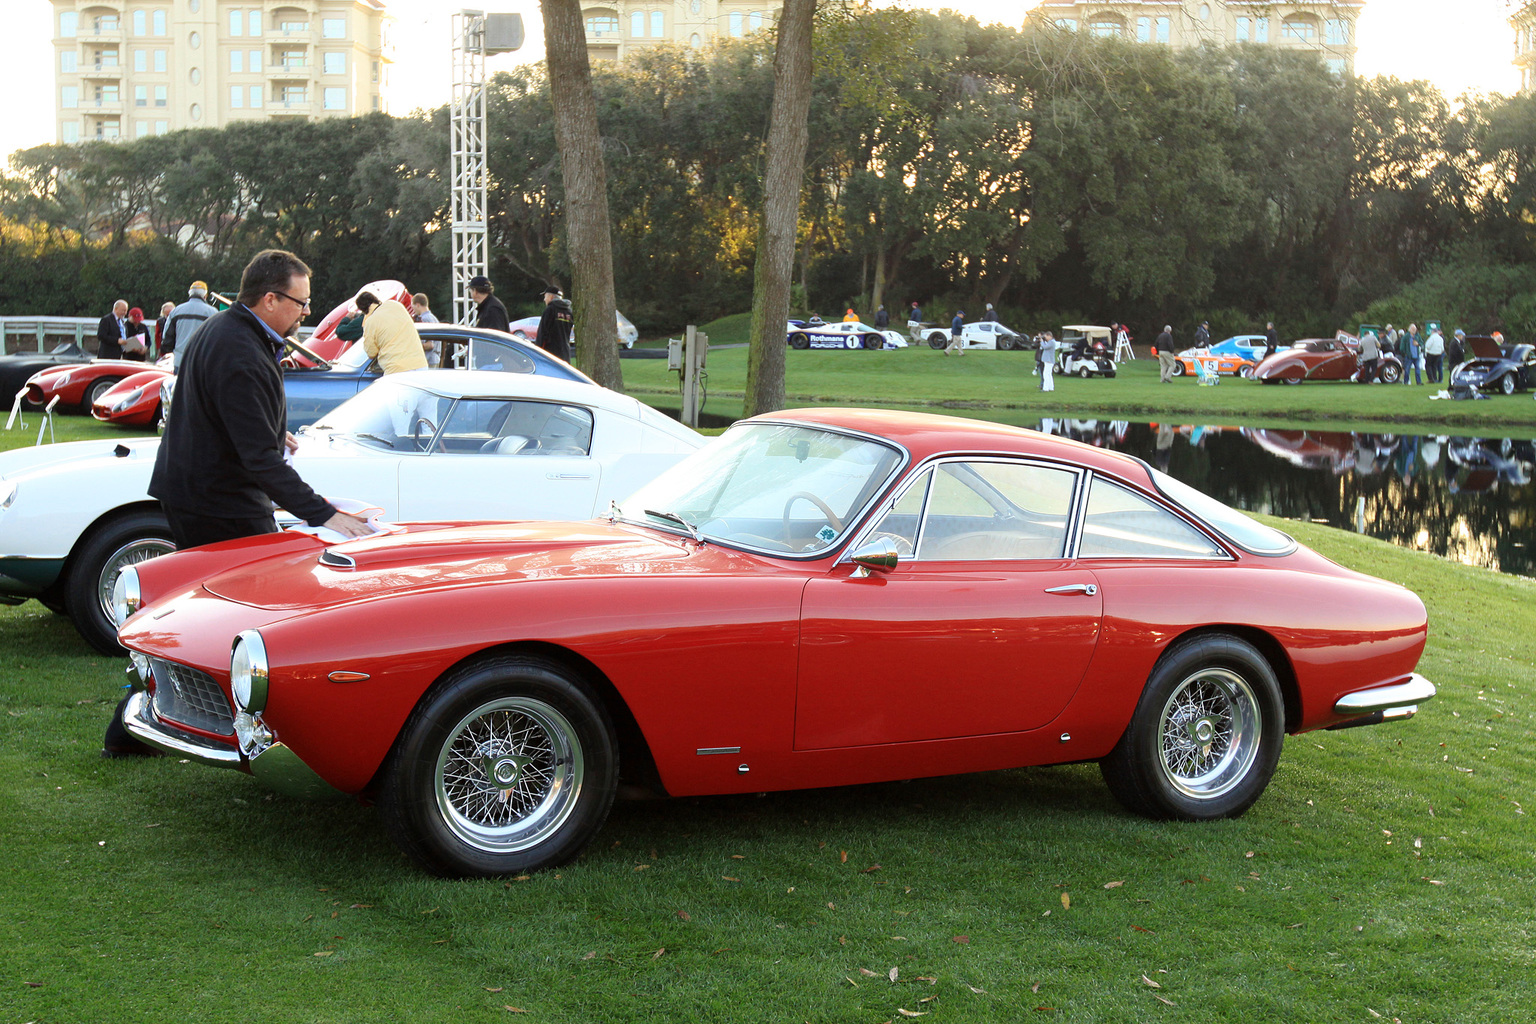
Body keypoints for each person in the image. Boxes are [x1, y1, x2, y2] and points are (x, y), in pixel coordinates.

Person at [115, 250, 372, 759]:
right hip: (218, 501)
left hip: (198, 490)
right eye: (301, 302)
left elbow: (229, 419)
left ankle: (140, 729)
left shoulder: (229, 331)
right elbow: (258, 461)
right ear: (270, 298)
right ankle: (235, 727)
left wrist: (275, 434)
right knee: (250, 617)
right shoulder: (240, 349)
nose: (305, 312)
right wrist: (327, 514)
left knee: (199, 615)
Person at [357, 291, 428, 375]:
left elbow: (371, 353)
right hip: (420, 365)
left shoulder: (370, 322)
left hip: (396, 369)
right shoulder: (396, 305)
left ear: (363, 310)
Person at [164, 281, 220, 370]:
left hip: (180, 361)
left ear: (190, 294)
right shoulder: (213, 313)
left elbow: (167, 339)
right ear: (205, 296)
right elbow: (217, 340)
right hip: (203, 362)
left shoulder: (176, 311)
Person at [534, 285, 574, 362]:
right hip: (565, 353)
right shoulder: (569, 312)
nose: (544, 299)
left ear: (551, 297)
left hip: (550, 353)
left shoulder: (550, 310)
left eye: (545, 296)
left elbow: (543, 333)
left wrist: (537, 351)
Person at [412, 292, 440, 366]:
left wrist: (413, 346)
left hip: (428, 359)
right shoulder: (434, 318)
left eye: (413, 307)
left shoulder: (424, 319)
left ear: (418, 305)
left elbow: (430, 345)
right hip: (435, 359)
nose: (413, 310)